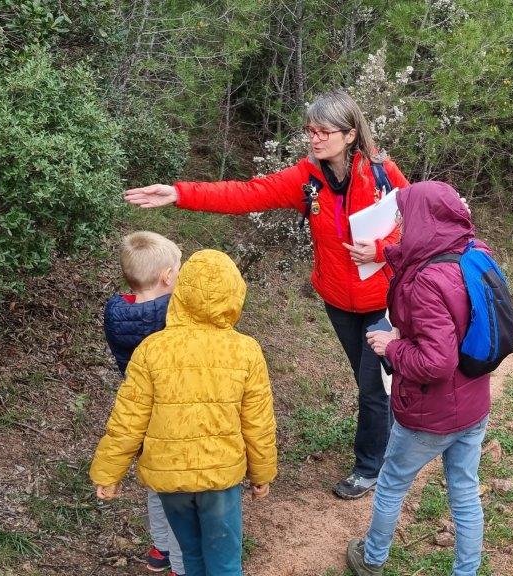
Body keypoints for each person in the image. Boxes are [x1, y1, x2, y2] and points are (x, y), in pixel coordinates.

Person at [123, 91, 407, 500]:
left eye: (324, 131)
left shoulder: (382, 173)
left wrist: (383, 250)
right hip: (338, 301)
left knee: (371, 386)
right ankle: (397, 424)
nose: (314, 139)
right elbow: (246, 194)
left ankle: (370, 467)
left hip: (383, 299)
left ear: (349, 134)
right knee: (373, 379)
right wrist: (179, 193)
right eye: (311, 131)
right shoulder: (306, 180)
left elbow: (416, 217)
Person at [91, 250, 278, 576]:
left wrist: (109, 473)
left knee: (190, 555)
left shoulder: (152, 349)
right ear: (235, 294)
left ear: (181, 292)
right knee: (224, 561)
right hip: (219, 479)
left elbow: (127, 421)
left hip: (169, 476)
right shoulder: (247, 352)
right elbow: (258, 423)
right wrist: (261, 474)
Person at [344, 181, 492, 576]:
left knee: (391, 485)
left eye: (404, 217)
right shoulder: (472, 251)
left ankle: (371, 559)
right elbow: (418, 256)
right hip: (474, 404)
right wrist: (385, 252)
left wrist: (389, 346)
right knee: (464, 491)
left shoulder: (425, 283)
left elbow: (436, 362)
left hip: (430, 410)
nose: (400, 223)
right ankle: (467, 570)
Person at [101, 231, 185, 575]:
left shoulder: (115, 312)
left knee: (155, 485)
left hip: (140, 414)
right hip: (174, 415)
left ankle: (159, 549)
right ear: (167, 277)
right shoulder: (173, 313)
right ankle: (182, 564)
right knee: (180, 495)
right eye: (178, 269)